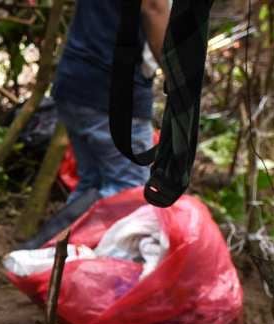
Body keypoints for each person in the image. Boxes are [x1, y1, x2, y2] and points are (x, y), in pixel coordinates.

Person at [22, 0, 171, 247]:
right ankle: (38, 251)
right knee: (129, 194)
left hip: (78, 78)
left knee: (93, 186)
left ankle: (54, 268)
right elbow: (153, 6)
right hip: (112, 90)